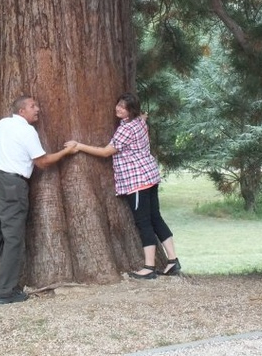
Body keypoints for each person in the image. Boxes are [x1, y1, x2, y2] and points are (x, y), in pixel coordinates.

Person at [65, 92, 180, 279]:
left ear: (131, 111)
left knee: (144, 223)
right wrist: (141, 115)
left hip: (136, 181)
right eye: (118, 104)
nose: (119, 108)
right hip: (149, 175)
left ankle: (149, 267)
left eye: (124, 107)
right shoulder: (139, 121)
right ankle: (173, 260)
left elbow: (105, 152)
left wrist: (79, 146)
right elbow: (144, 116)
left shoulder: (126, 130)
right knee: (155, 217)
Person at [0, 94, 76, 304]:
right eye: (33, 106)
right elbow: (43, 162)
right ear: (22, 111)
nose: (37, 109)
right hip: (13, 184)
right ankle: (4, 291)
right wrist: (66, 152)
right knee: (13, 237)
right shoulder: (27, 131)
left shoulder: (3, 124)